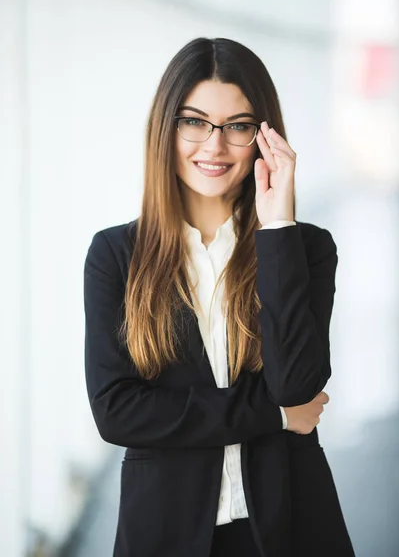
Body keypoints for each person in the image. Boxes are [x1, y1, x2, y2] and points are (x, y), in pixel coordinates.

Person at [84, 37, 355, 557]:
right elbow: (117, 412)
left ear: (264, 136)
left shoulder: (305, 247)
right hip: (164, 531)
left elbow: (297, 382)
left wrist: (277, 225)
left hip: (291, 524)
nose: (215, 146)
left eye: (238, 126)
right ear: (166, 129)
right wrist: (275, 415)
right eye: (195, 122)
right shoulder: (115, 256)